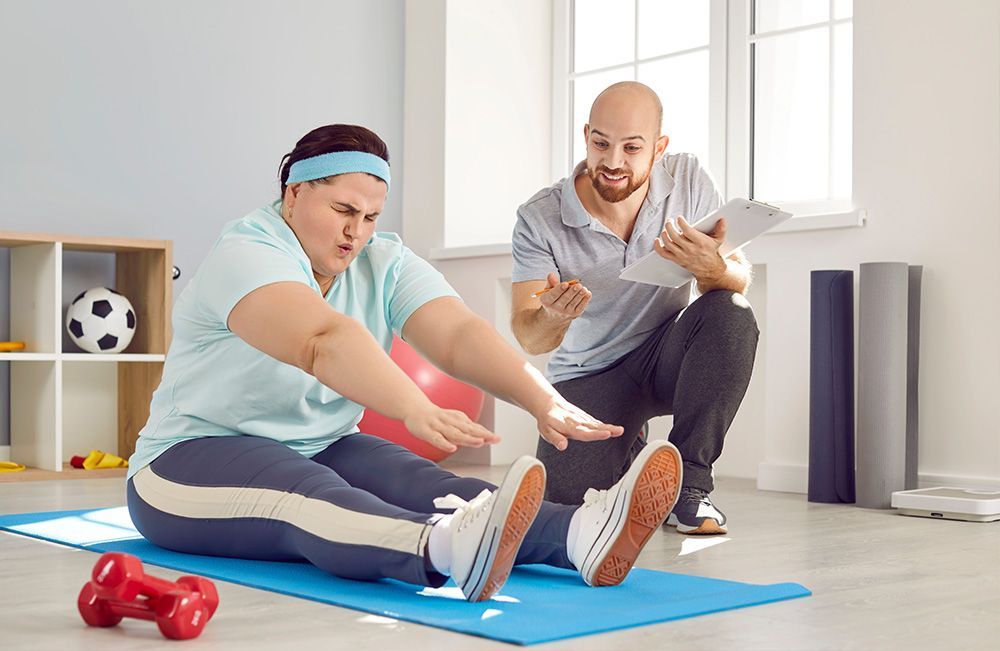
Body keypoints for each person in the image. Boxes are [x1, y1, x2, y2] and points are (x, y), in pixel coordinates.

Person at [126, 124, 683, 603]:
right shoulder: (247, 252)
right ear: (293, 195)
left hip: (324, 442)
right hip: (186, 462)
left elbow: (459, 334)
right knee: (304, 495)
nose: (357, 231)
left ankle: (580, 535)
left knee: (425, 482)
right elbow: (321, 340)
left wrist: (542, 400)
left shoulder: (382, 259)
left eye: (370, 215)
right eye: (343, 210)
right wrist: (414, 407)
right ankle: (445, 547)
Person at [510, 82, 759, 535]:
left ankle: (690, 489)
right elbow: (529, 337)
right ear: (586, 135)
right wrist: (554, 316)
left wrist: (713, 267)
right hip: (589, 371)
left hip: (668, 354)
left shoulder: (688, 180)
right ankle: (630, 453)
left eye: (631, 148)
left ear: (659, 148)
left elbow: (737, 280)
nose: (613, 162)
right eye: (601, 143)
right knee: (570, 515)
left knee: (732, 310)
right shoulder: (539, 216)